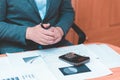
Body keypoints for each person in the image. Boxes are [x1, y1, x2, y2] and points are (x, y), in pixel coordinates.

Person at [0, 0, 75, 54]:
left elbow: (67, 12)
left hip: (55, 45)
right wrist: (28, 33)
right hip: (17, 48)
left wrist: (60, 30)